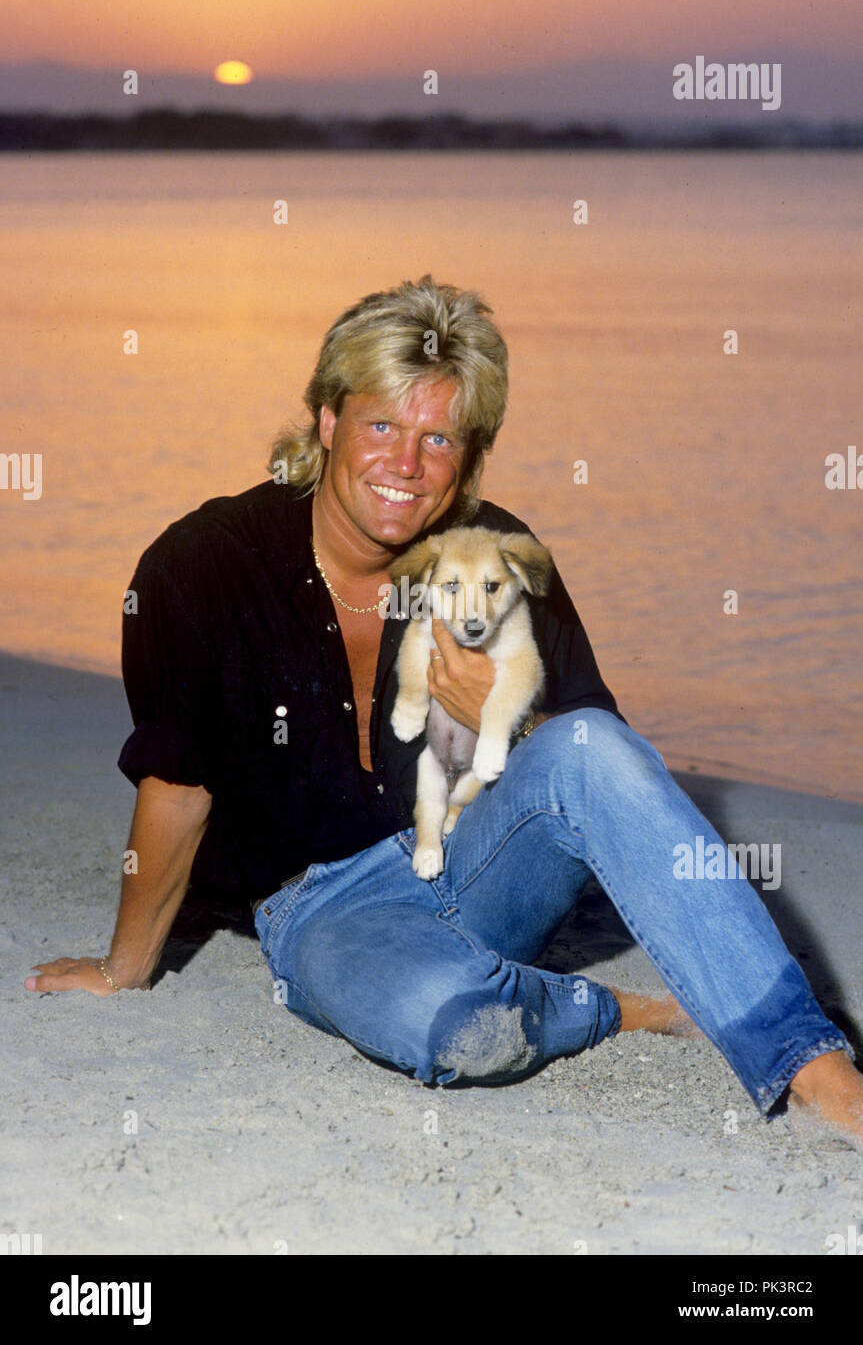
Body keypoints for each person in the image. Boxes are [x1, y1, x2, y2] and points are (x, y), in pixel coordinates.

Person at [26, 274, 863, 1144]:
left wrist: (507, 715)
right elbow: (179, 783)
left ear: (468, 458)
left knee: (584, 743)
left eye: (440, 438)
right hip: (319, 910)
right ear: (325, 421)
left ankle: (815, 1068)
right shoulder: (201, 567)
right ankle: (622, 1009)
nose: (407, 465)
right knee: (450, 1026)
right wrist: (125, 970)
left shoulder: (497, 560)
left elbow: (590, 765)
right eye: (381, 425)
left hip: (481, 862)